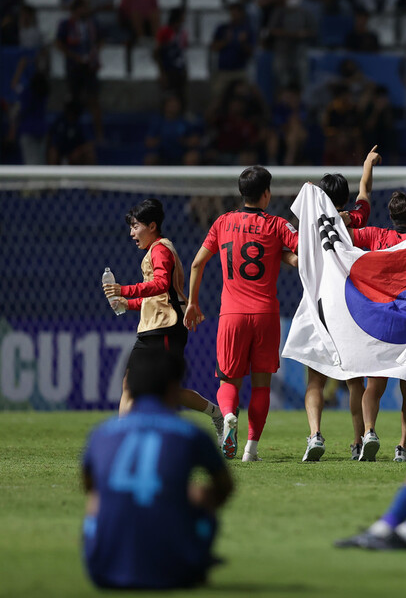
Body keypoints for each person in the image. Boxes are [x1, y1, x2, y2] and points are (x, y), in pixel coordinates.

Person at [81, 350, 233, 589]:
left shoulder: (101, 434)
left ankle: (109, 554)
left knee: (97, 498)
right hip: (177, 573)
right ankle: (193, 556)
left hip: (103, 573)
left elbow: (89, 487)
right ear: (175, 388)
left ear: (128, 386)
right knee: (201, 496)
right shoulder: (190, 434)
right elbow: (225, 487)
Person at [184, 166, 299, 462]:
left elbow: (197, 264)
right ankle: (251, 450)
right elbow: (302, 253)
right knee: (261, 385)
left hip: (232, 315)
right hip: (265, 315)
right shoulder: (277, 225)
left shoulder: (223, 222)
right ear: (266, 194)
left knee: (227, 382)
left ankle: (227, 418)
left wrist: (193, 303)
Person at [102, 199, 223, 438]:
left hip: (167, 327)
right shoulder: (154, 251)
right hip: (152, 327)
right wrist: (129, 303)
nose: (131, 233)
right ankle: (122, 437)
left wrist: (124, 290)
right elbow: (157, 296)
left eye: (135, 226)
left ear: (152, 226)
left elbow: (160, 285)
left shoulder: (161, 249)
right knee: (130, 383)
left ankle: (216, 414)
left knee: (166, 389)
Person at [302, 148, 378, 462]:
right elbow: (366, 192)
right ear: (344, 200)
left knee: (316, 378)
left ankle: (315, 435)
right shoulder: (355, 218)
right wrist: (366, 166)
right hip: (350, 305)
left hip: (319, 304)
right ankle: (361, 439)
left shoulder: (310, 225)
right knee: (354, 381)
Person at [351, 190, 406, 462]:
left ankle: (369, 431)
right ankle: (403, 447)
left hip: (378, 319)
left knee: (374, 384)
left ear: (391, 216)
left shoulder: (374, 235)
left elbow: (341, 233)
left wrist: (347, 213)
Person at [55, 0, 103, 141]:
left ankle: (99, 135)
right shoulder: (66, 25)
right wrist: (74, 57)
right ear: (75, 10)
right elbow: (59, 43)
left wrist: (94, 53)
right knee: (73, 101)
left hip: (90, 67)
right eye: (82, 8)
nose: (85, 11)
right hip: (74, 67)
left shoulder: (93, 24)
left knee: (93, 99)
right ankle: (71, 133)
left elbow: (101, 39)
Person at [210, 3, 256, 98]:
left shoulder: (247, 30)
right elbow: (213, 47)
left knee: (247, 95)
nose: (234, 16)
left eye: (236, 13)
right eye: (232, 13)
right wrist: (226, 41)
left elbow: (251, 52)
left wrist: (243, 43)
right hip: (224, 71)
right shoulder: (223, 28)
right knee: (217, 95)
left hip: (240, 71)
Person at [154, 7, 188, 106]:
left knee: (181, 94)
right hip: (168, 69)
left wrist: (185, 69)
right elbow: (157, 53)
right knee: (168, 96)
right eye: (183, 16)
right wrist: (161, 72)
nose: (184, 19)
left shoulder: (183, 33)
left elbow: (182, 53)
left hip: (180, 69)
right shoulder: (165, 31)